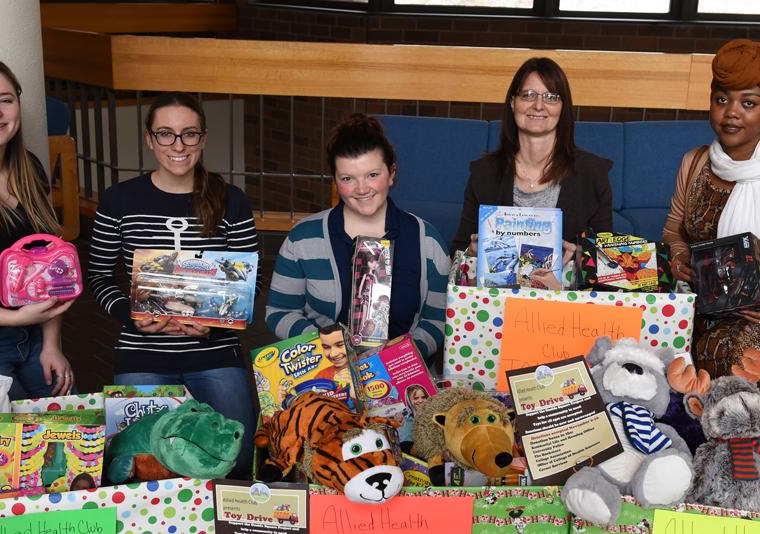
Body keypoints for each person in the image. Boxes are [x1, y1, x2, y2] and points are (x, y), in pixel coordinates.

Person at [88, 91, 260, 477]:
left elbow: (252, 281)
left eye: (189, 134)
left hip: (215, 351)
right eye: (165, 134)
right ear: (149, 139)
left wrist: (215, 323)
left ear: (203, 138)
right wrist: (132, 316)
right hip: (142, 351)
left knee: (237, 457)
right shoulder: (119, 200)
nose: (178, 145)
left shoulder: (231, 201)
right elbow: (98, 275)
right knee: (138, 463)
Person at [265, 113, 450, 361]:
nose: (362, 189)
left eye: (372, 175)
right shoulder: (303, 238)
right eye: (348, 178)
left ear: (391, 173)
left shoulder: (427, 240)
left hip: (401, 373)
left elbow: (439, 319)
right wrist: (327, 348)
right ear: (335, 181)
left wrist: (402, 358)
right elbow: (279, 311)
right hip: (328, 370)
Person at [0, 55, 74, 401]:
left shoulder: (31, 169)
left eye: (5, 100)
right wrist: (13, 319)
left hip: (33, 336)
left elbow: (52, 266)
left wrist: (52, 344)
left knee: (69, 426)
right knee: (7, 436)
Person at [455, 57, 613, 285]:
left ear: (563, 107)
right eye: (528, 95)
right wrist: (472, 252)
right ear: (513, 103)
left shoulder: (593, 174)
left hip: (563, 303)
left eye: (551, 97)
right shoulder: (483, 173)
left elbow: (606, 263)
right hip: (496, 301)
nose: (538, 105)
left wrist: (579, 261)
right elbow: (458, 251)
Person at [663, 39, 760, 379]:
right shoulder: (694, 162)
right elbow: (673, 229)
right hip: (696, 306)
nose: (731, 112)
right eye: (721, 99)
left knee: (739, 360)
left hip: (752, 320)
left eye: (749, 103)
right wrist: (679, 257)